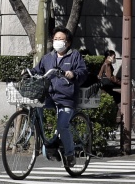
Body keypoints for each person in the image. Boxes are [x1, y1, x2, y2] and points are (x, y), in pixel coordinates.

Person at [32, 27, 92, 165]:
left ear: (68, 42)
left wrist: (73, 74)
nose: (58, 41)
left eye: (61, 39)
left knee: (62, 126)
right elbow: (37, 71)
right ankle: (50, 141)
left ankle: (70, 154)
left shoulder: (75, 55)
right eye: (55, 39)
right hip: (49, 96)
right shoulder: (47, 58)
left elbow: (83, 72)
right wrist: (28, 72)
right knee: (35, 106)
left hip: (67, 98)